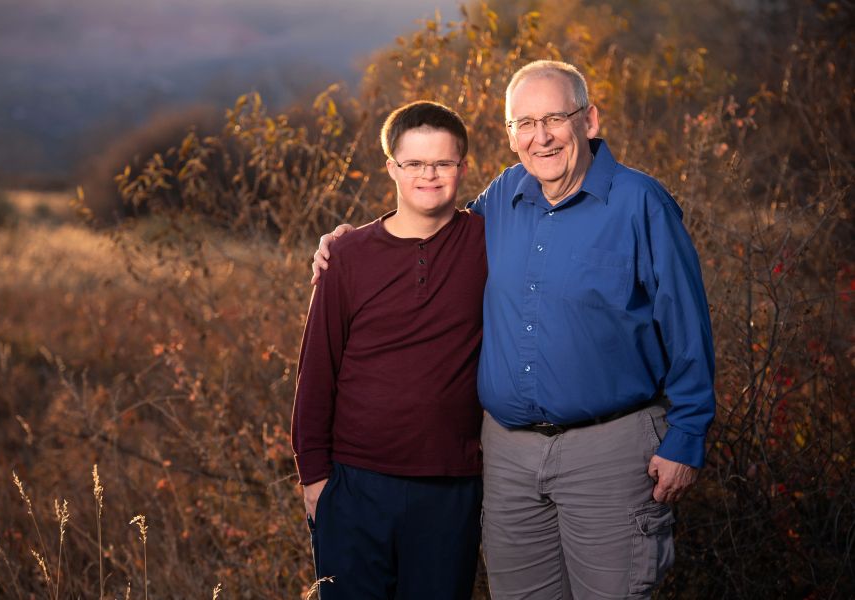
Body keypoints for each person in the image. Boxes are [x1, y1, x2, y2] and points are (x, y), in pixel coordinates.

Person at [312, 60, 715, 599]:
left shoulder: (641, 203)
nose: (540, 137)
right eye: (524, 123)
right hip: (508, 461)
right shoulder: (503, 198)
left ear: (589, 120)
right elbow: (429, 226)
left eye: (555, 118)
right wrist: (348, 241)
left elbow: (688, 324)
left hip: (609, 452)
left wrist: (688, 436)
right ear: (508, 135)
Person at [292, 100, 487, 599]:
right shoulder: (348, 255)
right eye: (414, 163)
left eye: (443, 163)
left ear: (462, 168)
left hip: (450, 482)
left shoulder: (488, 241)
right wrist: (314, 477)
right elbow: (317, 369)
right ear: (391, 169)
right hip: (355, 484)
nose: (429, 175)